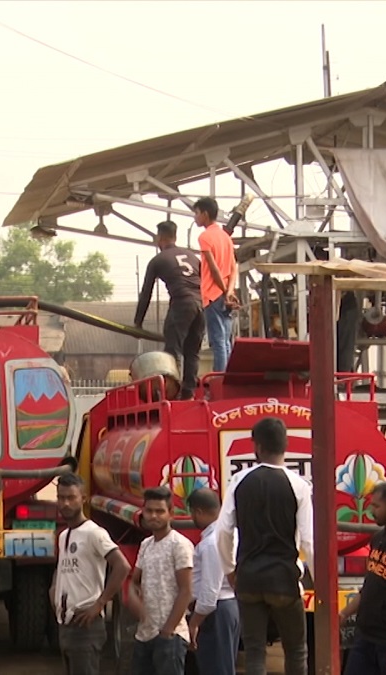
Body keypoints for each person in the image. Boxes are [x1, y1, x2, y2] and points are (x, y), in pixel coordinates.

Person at [217, 417, 314, 675]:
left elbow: (223, 531)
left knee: (255, 652)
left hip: (249, 579)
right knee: (296, 651)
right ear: (286, 445)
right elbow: (309, 540)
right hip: (284, 580)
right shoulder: (299, 486)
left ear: (257, 446)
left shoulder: (239, 481)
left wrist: (230, 570)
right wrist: (319, 581)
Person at [51, 473, 131, 675]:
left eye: (71, 498)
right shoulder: (63, 535)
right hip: (66, 624)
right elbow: (61, 570)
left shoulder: (94, 533)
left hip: (86, 625)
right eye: (61, 498)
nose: (65, 503)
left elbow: (122, 566)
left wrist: (100, 604)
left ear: (83, 499)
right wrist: (54, 592)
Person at [340, 482, 386, 675]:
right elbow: (369, 586)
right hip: (364, 638)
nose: (372, 511)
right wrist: (344, 614)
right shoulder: (378, 539)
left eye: (376, 506)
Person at [134, 220, 205, 399]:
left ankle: (173, 394)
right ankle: (188, 393)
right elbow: (205, 282)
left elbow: (146, 293)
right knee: (192, 352)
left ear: (160, 238)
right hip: (201, 304)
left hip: (181, 304)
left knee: (173, 351)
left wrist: (138, 322)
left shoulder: (158, 260)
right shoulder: (192, 256)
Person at [128, 486, 194, 675]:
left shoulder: (179, 545)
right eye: (149, 511)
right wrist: (132, 598)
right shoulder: (146, 545)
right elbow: (134, 581)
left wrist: (168, 630)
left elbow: (186, 591)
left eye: (159, 511)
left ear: (170, 513)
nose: (153, 516)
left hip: (170, 636)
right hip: (145, 634)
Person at [186, 488, 239, 675]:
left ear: (198, 511)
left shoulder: (211, 544)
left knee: (216, 669)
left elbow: (209, 594)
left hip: (215, 613)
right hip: (225, 608)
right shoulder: (227, 534)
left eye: (192, 513)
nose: (192, 518)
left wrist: (194, 623)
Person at [193, 197, 239, 372]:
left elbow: (213, 269)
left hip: (213, 295)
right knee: (226, 340)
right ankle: (226, 375)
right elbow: (233, 267)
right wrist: (229, 291)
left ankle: (220, 377)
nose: (195, 217)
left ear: (205, 214)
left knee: (218, 340)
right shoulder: (226, 237)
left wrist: (223, 291)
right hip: (226, 295)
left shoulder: (205, 237)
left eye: (197, 213)